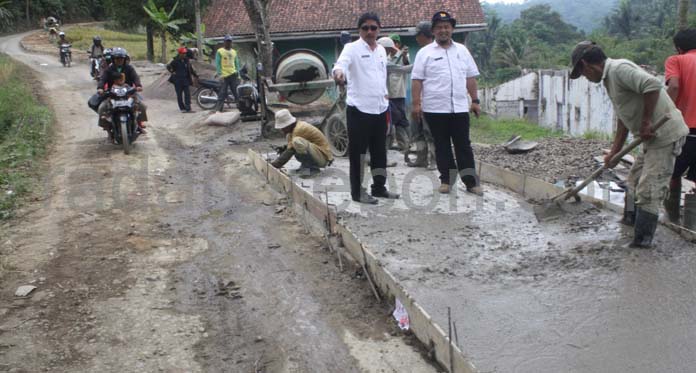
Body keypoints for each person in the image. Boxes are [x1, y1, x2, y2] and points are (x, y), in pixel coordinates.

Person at [570, 41, 689, 247]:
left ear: (585, 64)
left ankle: (642, 243)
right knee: (633, 182)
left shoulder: (619, 69)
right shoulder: (609, 79)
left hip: (664, 136)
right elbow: (623, 118)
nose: (587, 79)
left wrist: (646, 121)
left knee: (649, 189)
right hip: (650, 139)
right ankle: (629, 222)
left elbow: (652, 85)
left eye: (583, 75)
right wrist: (614, 153)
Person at [411, 11, 483, 196]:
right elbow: (417, 80)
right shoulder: (424, 53)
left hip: (459, 108)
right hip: (434, 109)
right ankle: (446, 180)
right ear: (433, 31)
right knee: (441, 145)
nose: (443, 30)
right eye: (439, 27)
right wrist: (416, 104)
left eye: (447, 27)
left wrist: (474, 101)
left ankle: (471, 182)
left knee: (463, 145)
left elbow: (470, 77)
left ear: (452, 29)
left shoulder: (462, 51)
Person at [332, 12, 400, 204]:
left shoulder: (380, 50)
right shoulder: (351, 48)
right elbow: (340, 65)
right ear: (359, 30)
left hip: (380, 109)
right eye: (365, 28)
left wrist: (385, 94)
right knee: (358, 154)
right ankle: (357, 192)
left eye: (373, 28)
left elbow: (380, 74)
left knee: (380, 152)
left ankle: (378, 187)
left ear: (379, 29)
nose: (370, 31)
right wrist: (338, 74)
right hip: (359, 110)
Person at [663, 28, 696, 222]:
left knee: (672, 173)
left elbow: (674, 86)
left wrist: (664, 114)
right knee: (695, 180)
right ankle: (692, 226)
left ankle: (672, 218)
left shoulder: (676, 60)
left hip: (686, 130)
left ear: (678, 48)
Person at [97, 47, 148, 133]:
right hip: (113, 93)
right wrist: (100, 88)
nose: (119, 60)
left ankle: (138, 124)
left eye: (121, 58)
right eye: (117, 58)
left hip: (129, 92)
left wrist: (138, 85)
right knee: (102, 108)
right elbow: (103, 79)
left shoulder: (129, 68)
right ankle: (108, 128)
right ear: (113, 59)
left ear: (124, 59)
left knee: (142, 106)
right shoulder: (109, 69)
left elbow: (135, 77)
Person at [270, 109, 333, 178]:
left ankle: (312, 169)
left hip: (323, 158)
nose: (282, 130)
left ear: (288, 124)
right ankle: (305, 167)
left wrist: (277, 164)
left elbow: (291, 150)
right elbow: (290, 147)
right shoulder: (293, 130)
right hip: (317, 154)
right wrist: (284, 148)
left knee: (296, 141)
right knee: (290, 138)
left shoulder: (299, 129)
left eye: (283, 127)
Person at [408, 21, 436, 168]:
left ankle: (434, 160)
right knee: (416, 130)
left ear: (425, 35)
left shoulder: (435, 51)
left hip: (430, 100)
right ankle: (421, 158)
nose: (416, 38)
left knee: (429, 131)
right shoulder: (421, 53)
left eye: (418, 35)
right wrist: (415, 102)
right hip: (418, 100)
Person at [377, 36, 412, 156]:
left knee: (400, 119)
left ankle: (406, 145)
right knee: (389, 121)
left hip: (398, 94)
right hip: (385, 95)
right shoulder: (382, 58)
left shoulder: (402, 56)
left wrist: (403, 57)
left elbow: (404, 68)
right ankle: (385, 149)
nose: (390, 51)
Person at [167, 47, 199, 113]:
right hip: (177, 80)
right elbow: (168, 66)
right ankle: (182, 108)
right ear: (179, 54)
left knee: (187, 94)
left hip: (185, 80)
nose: (184, 54)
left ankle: (188, 108)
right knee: (179, 95)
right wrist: (172, 72)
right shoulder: (175, 60)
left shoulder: (186, 60)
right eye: (183, 53)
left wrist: (195, 75)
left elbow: (190, 69)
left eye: (185, 53)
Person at [215, 34, 240, 112]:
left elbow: (237, 63)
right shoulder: (220, 51)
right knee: (222, 93)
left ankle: (240, 107)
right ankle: (219, 109)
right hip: (224, 76)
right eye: (227, 41)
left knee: (236, 92)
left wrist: (238, 74)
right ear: (224, 42)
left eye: (230, 41)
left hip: (233, 74)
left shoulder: (234, 52)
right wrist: (220, 74)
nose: (228, 43)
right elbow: (218, 63)